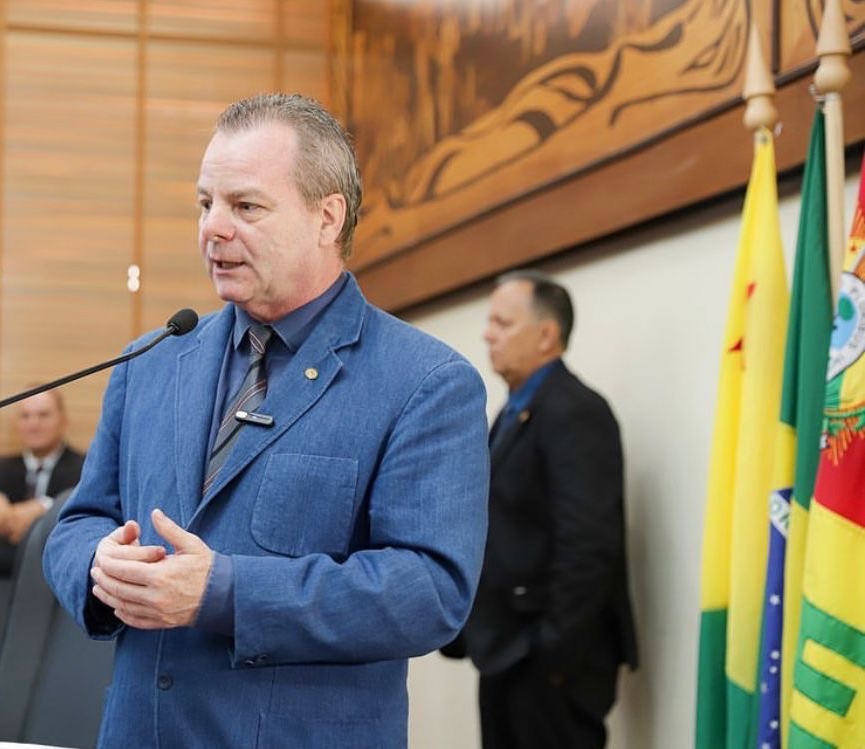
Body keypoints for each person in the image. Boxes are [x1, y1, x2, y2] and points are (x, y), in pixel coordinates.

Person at [43, 92, 489, 749]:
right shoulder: (151, 361)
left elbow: (429, 592)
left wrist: (223, 592)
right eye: (205, 203)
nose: (213, 229)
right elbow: (79, 521)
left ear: (327, 218)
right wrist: (97, 564)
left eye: (245, 206)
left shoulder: (425, 382)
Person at [442, 270, 638, 749]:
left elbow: (588, 544)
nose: (488, 334)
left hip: (548, 665)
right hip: (505, 650)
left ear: (547, 335)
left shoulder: (574, 411)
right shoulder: (513, 412)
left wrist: (550, 650)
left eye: (503, 323)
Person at [0, 390, 84, 545]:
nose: (33, 424)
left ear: (63, 421)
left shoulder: (84, 466)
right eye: (25, 416)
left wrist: (45, 508)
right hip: (6, 552)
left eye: (44, 415)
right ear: (17, 424)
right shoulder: (2, 467)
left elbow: (85, 510)